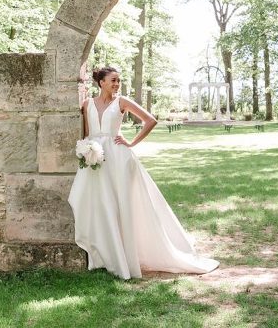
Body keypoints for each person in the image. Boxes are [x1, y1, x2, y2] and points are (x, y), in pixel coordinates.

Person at [68, 65, 218, 279]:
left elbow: (150, 120)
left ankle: (124, 256)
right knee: (96, 204)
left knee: (120, 205)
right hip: (94, 159)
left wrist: (131, 142)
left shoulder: (122, 102)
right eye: (113, 80)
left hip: (118, 158)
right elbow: (85, 133)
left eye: (118, 80)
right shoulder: (87, 104)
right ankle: (104, 254)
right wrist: (85, 150)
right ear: (101, 82)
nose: (117, 84)